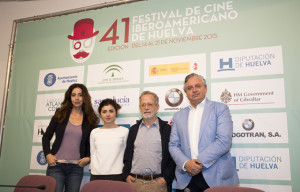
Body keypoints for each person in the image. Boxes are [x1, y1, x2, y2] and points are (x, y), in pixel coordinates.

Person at [169, 73, 239, 192]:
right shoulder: (178, 116)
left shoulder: (220, 109)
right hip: (187, 178)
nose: (194, 90)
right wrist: (186, 164)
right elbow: (173, 145)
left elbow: (224, 141)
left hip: (215, 177)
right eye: (190, 88)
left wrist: (198, 162)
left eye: (198, 86)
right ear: (186, 93)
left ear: (205, 88)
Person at [42, 83, 99, 192]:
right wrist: (48, 154)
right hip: (56, 166)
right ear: (69, 97)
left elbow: (90, 143)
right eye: (73, 95)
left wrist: (88, 157)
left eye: (80, 95)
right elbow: (46, 137)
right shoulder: (60, 113)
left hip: (76, 168)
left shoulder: (90, 119)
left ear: (85, 97)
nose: (76, 98)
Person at [123, 91, 176, 192]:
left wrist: (166, 178)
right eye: (143, 105)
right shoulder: (133, 130)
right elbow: (127, 156)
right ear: (140, 107)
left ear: (157, 107)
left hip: (158, 184)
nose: (146, 108)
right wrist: (126, 175)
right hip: (135, 183)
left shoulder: (167, 130)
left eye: (150, 104)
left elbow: (173, 158)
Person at [89, 98, 129, 181]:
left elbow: (127, 155)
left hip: (118, 175)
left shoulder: (124, 131)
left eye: (111, 111)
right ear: (100, 114)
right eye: (104, 111)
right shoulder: (94, 132)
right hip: (96, 175)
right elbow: (93, 154)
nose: (108, 114)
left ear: (116, 113)